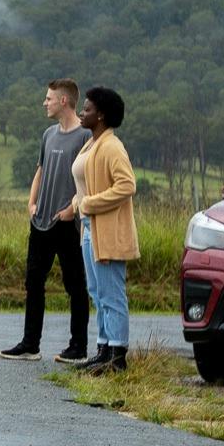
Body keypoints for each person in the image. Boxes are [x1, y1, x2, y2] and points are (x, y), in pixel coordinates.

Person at [0, 78, 91, 361]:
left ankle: (78, 347)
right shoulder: (48, 134)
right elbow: (41, 169)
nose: (44, 103)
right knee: (33, 282)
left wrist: (72, 210)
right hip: (40, 221)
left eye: (49, 98)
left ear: (64, 101)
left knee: (75, 285)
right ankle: (30, 344)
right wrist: (31, 201)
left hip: (67, 223)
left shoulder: (85, 137)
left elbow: (88, 179)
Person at [63, 86, 138, 372]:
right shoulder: (93, 143)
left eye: (88, 109)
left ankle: (117, 355)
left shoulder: (111, 146)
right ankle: (104, 348)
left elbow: (127, 185)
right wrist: (75, 206)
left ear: (102, 115)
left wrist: (90, 203)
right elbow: (86, 183)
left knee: (111, 292)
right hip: (87, 226)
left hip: (105, 229)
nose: (82, 113)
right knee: (96, 291)